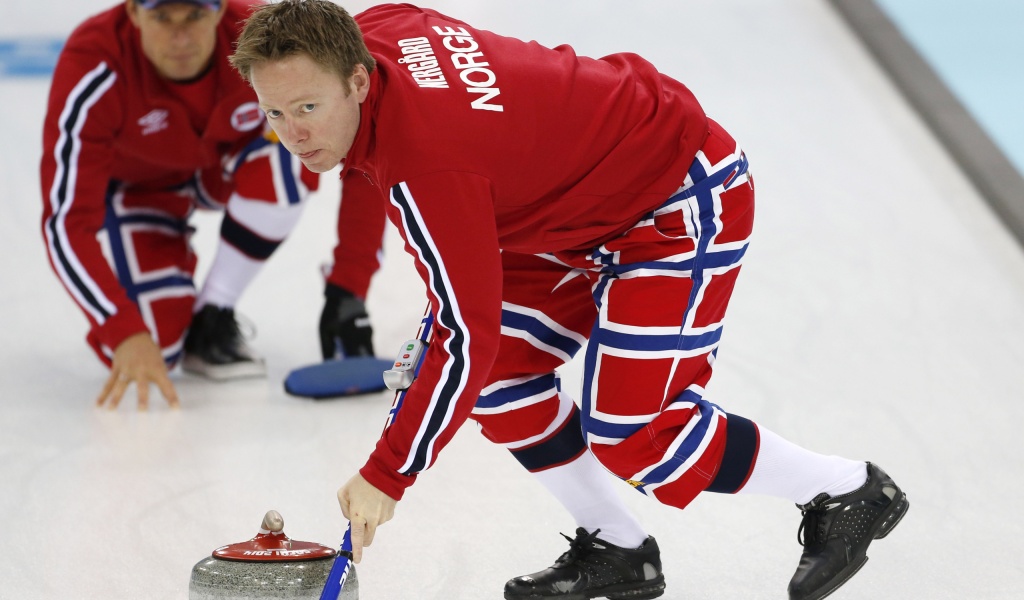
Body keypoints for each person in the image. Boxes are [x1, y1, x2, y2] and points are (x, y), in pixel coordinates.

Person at [230, 2, 910, 599]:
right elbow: (469, 323)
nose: (293, 133)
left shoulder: (428, 166)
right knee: (494, 378)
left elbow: (467, 333)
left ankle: (847, 488)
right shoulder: (377, 29)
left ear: (357, 79)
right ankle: (618, 548)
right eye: (275, 112)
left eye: (308, 108)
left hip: (672, 196)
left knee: (633, 431)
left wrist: (387, 474)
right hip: (573, 209)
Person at [39, 0, 377, 409]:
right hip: (140, 193)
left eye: (195, 15)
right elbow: (66, 223)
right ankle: (176, 315)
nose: (180, 37)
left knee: (288, 157)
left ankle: (215, 310)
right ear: (132, 13)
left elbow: (364, 137)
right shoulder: (94, 63)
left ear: (220, 10)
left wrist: (348, 288)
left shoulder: (268, 38)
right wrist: (123, 330)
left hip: (221, 170)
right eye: (162, 17)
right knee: (154, 346)